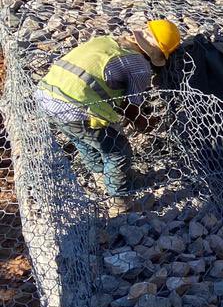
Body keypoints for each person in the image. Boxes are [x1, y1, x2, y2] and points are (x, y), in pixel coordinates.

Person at [36, 19, 182, 203]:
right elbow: (132, 107)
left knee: (85, 141)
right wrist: (145, 122)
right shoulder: (140, 67)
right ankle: (120, 201)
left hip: (47, 95)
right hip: (74, 106)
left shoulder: (107, 41)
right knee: (117, 151)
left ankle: (102, 178)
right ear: (157, 55)